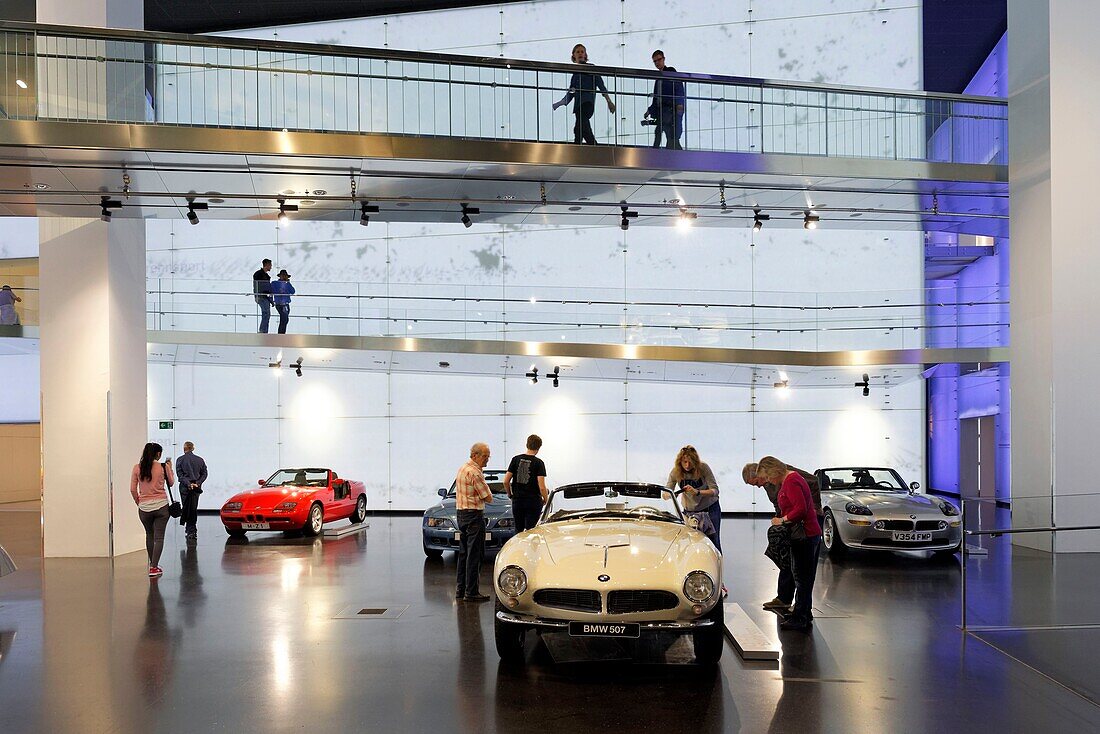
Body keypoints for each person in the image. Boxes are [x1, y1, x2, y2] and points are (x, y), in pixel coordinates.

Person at [744, 460, 823, 613]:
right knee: (788, 560)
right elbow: (779, 502)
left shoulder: (790, 477)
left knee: (804, 571)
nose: (759, 485)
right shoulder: (770, 483)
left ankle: (802, 609)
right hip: (792, 522)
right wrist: (780, 520)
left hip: (804, 524)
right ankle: (785, 599)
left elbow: (810, 486)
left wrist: (813, 509)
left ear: (763, 473)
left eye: (757, 482)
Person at [552, 43, 616, 145]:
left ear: (585, 55)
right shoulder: (575, 74)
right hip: (578, 105)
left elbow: (601, 85)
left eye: (582, 51)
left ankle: (585, 147)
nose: (580, 53)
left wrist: (609, 101)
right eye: (578, 52)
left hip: (587, 102)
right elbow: (571, 92)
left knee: (580, 125)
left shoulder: (591, 68)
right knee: (580, 128)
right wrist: (560, 103)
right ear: (574, 55)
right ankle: (588, 146)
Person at [455, 442, 494, 602]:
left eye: (488, 456)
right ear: (475, 455)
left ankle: (461, 589)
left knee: (464, 554)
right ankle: (471, 592)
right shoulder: (475, 473)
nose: (487, 460)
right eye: (485, 456)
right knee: (475, 555)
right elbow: (488, 497)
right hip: (474, 517)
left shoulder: (463, 468)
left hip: (462, 515)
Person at [130, 442, 175, 579]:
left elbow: (132, 489)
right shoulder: (163, 466)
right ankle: (154, 567)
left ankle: (152, 564)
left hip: (144, 508)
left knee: (149, 535)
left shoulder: (137, 468)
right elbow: (171, 483)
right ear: (158, 454)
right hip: (161, 506)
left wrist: (139, 501)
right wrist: (170, 469)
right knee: (159, 538)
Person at [504, 434, 548, 533]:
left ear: (526, 444)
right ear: (539, 447)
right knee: (531, 531)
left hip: (518, 500)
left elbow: (506, 481)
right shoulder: (539, 463)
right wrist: (546, 499)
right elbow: (542, 487)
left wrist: (510, 494)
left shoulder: (515, 459)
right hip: (533, 501)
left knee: (518, 530)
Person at [643, 49, 686, 149]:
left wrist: (679, 105)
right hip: (663, 111)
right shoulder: (658, 78)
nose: (657, 63)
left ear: (664, 59)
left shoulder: (670, 72)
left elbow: (678, 88)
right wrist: (650, 110)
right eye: (655, 61)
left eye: (659, 60)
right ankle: (667, 154)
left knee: (665, 133)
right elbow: (656, 98)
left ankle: (655, 152)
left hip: (670, 111)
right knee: (670, 137)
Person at [175, 441, 208, 540]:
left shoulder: (180, 459)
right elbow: (204, 474)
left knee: (186, 507)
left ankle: (190, 530)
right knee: (193, 508)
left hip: (185, 487)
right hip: (196, 488)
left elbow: (180, 476)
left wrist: (188, 484)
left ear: (184, 448)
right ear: (193, 448)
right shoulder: (200, 460)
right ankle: (191, 529)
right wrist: (197, 483)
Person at [270, 269, 295, 334]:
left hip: (286, 304)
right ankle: (281, 334)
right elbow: (272, 291)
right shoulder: (274, 283)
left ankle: (282, 334)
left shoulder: (287, 284)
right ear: (280, 276)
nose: (284, 277)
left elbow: (293, 292)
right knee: (284, 318)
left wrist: (288, 283)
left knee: (285, 319)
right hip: (279, 304)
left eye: (285, 276)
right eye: (283, 275)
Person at [253, 259, 273, 333]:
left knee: (267, 314)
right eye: (270, 265)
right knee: (266, 313)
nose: (271, 267)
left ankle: (264, 331)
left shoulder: (266, 276)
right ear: (266, 265)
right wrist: (257, 295)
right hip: (261, 296)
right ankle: (262, 331)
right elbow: (257, 285)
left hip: (265, 297)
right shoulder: (258, 274)